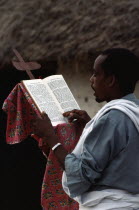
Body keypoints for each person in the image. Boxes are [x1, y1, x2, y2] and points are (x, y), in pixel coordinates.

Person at [32, 48, 139, 210]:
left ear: (110, 80)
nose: (91, 80)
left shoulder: (112, 118)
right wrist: (90, 125)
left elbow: (82, 175)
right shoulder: (133, 112)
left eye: (96, 74)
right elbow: (119, 153)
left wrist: (51, 137)